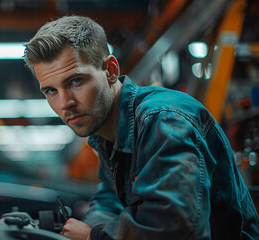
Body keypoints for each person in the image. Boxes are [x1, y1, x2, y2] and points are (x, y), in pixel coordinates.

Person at [23, 15, 259, 240]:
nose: (65, 103)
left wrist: (93, 235)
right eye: (51, 91)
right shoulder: (107, 133)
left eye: (75, 81)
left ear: (111, 71)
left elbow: (174, 227)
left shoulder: (163, 121)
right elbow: (109, 200)